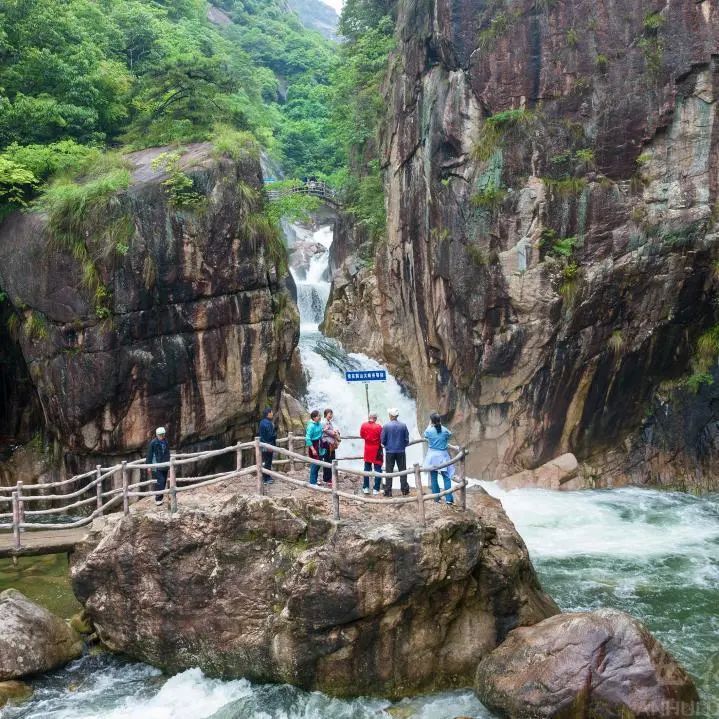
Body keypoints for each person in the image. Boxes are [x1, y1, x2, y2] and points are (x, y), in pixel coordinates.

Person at [424, 413, 455, 504]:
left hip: (432, 457)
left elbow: (425, 435)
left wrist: (429, 425)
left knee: (434, 477)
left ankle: (436, 498)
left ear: (431, 421)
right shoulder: (445, 430)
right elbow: (449, 434)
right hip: (443, 456)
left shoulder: (429, 431)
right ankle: (449, 499)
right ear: (440, 420)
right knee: (446, 477)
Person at [380, 408, 410, 497]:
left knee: (389, 471)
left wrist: (386, 445)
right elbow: (406, 440)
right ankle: (404, 490)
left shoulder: (386, 426)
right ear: (396, 416)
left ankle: (388, 491)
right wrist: (402, 445)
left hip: (389, 451)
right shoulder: (403, 425)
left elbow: (383, 440)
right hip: (401, 451)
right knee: (403, 470)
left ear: (390, 416)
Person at [359, 412, 383, 495]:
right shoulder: (379, 427)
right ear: (375, 418)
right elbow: (382, 438)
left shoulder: (363, 425)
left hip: (367, 449)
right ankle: (376, 488)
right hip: (377, 450)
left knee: (366, 469)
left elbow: (362, 435)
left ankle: (366, 487)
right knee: (378, 469)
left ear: (369, 417)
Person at [146, 426, 170, 506]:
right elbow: (149, 455)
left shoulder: (166, 441)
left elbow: (167, 453)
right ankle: (158, 499)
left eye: (163, 434)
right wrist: (148, 466)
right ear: (157, 435)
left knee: (163, 481)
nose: (162, 436)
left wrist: (169, 463)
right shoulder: (153, 443)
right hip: (157, 465)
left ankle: (160, 497)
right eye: (160, 434)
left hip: (165, 465)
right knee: (160, 481)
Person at [321, 408, 341, 484]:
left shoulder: (329, 422)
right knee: (327, 460)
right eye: (330, 414)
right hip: (327, 444)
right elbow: (326, 431)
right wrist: (334, 432)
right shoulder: (324, 422)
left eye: (331, 414)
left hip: (331, 444)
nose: (331, 415)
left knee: (331, 460)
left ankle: (330, 477)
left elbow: (328, 431)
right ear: (326, 414)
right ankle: (327, 479)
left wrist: (335, 431)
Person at [258, 407, 277, 484]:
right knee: (268, 462)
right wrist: (275, 434)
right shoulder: (268, 423)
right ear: (268, 414)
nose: (272, 414)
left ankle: (265, 477)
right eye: (271, 412)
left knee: (266, 461)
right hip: (268, 445)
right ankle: (266, 478)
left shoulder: (262, 422)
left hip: (263, 444)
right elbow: (270, 435)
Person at [305, 410, 323, 485]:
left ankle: (315, 480)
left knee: (319, 463)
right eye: (318, 416)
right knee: (315, 464)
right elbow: (308, 438)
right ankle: (312, 482)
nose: (320, 417)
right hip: (314, 445)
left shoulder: (319, 424)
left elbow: (320, 432)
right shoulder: (311, 426)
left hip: (319, 444)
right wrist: (312, 449)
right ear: (314, 417)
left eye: (319, 415)